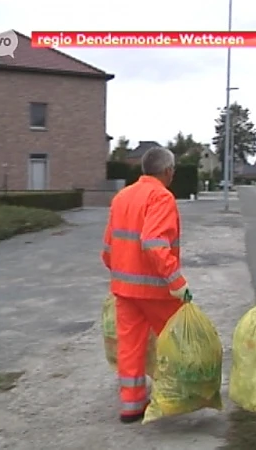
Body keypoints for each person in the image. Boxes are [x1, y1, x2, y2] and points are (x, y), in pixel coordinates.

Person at [101, 147, 192, 423]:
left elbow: (107, 248)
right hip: (157, 291)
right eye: (172, 170)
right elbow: (153, 243)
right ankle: (176, 395)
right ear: (167, 171)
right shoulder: (161, 197)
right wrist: (176, 282)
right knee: (175, 343)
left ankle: (131, 404)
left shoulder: (122, 197)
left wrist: (121, 271)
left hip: (125, 290)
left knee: (130, 346)